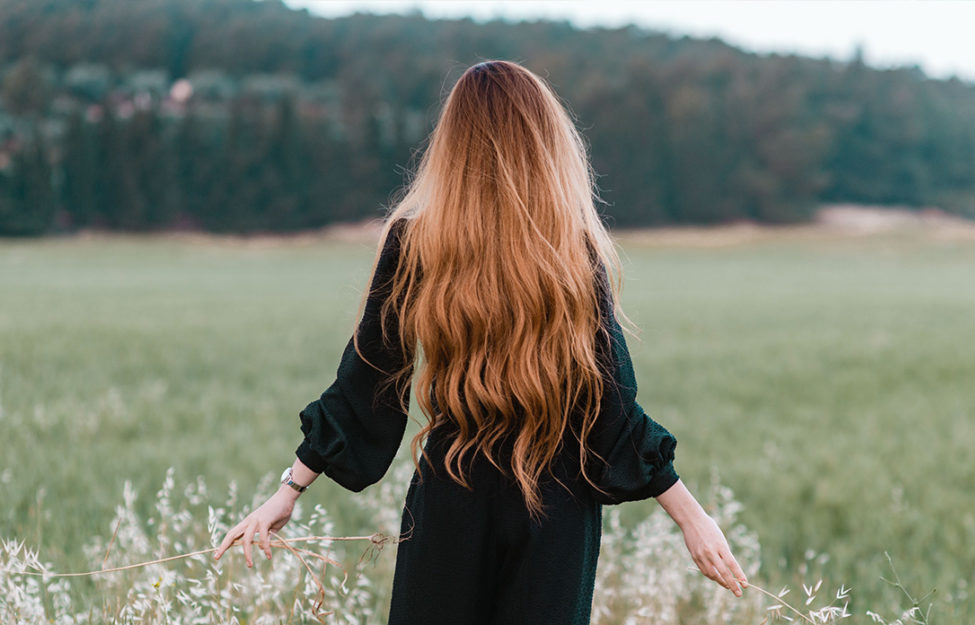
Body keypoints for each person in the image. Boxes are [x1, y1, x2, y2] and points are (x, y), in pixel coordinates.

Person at [213, 59, 748, 624]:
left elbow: (366, 383)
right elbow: (610, 408)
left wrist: (289, 490)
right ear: (546, 142)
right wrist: (691, 516)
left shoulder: (416, 240)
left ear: (453, 144)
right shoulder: (571, 250)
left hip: (451, 494)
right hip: (558, 505)